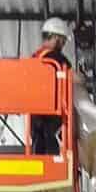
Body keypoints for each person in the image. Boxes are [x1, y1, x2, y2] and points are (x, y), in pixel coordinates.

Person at [30, 16, 72, 156]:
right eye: (63, 40)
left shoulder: (35, 57)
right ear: (55, 37)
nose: (63, 44)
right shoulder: (56, 58)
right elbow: (74, 78)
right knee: (53, 155)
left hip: (36, 116)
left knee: (39, 152)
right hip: (51, 117)